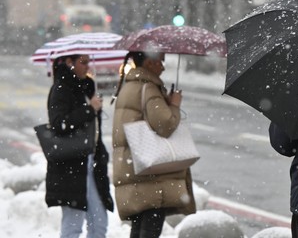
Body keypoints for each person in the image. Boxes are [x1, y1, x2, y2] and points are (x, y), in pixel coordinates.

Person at [111, 51, 196, 238]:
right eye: (160, 62)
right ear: (149, 63)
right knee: (150, 229)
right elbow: (164, 125)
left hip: (134, 167)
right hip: (152, 174)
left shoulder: (129, 86)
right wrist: (174, 105)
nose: (163, 67)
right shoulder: (148, 88)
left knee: (139, 228)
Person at [46, 54, 114, 238]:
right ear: (70, 63)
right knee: (73, 223)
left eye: (88, 62)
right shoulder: (61, 89)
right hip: (71, 165)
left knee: (99, 221)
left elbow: (94, 130)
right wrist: (89, 109)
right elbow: (59, 124)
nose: (87, 66)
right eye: (83, 62)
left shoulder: (87, 87)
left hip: (92, 162)